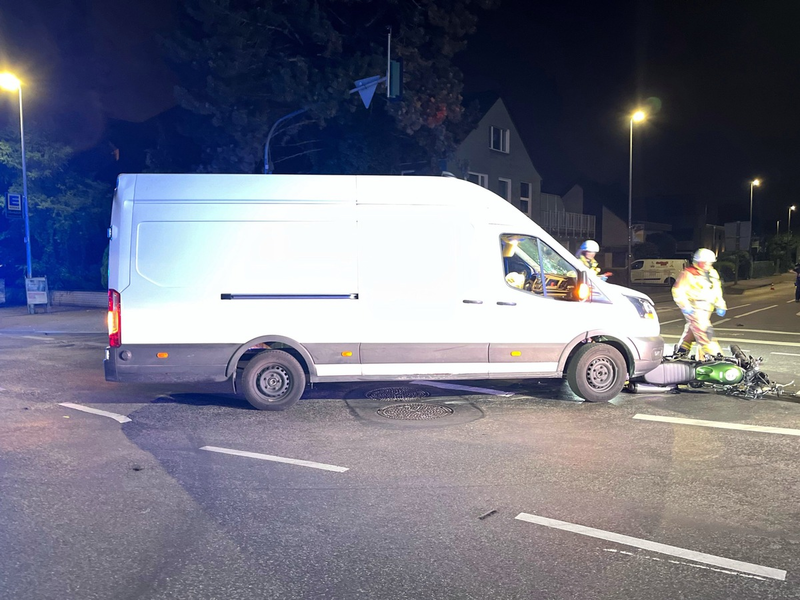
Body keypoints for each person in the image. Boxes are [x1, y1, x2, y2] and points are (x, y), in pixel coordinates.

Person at [672, 248, 727, 360]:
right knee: (704, 332)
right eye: (705, 262)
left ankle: (681, 353)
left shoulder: (712, 273)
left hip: (707, 309)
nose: (707, 265)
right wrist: (685, 305)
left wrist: (720, 304)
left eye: (709, 262)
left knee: (691, 333)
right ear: (699, 262)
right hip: (695, 308)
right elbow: (678, 291)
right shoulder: (688, 274)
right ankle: (716, 356)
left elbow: (717, 290)